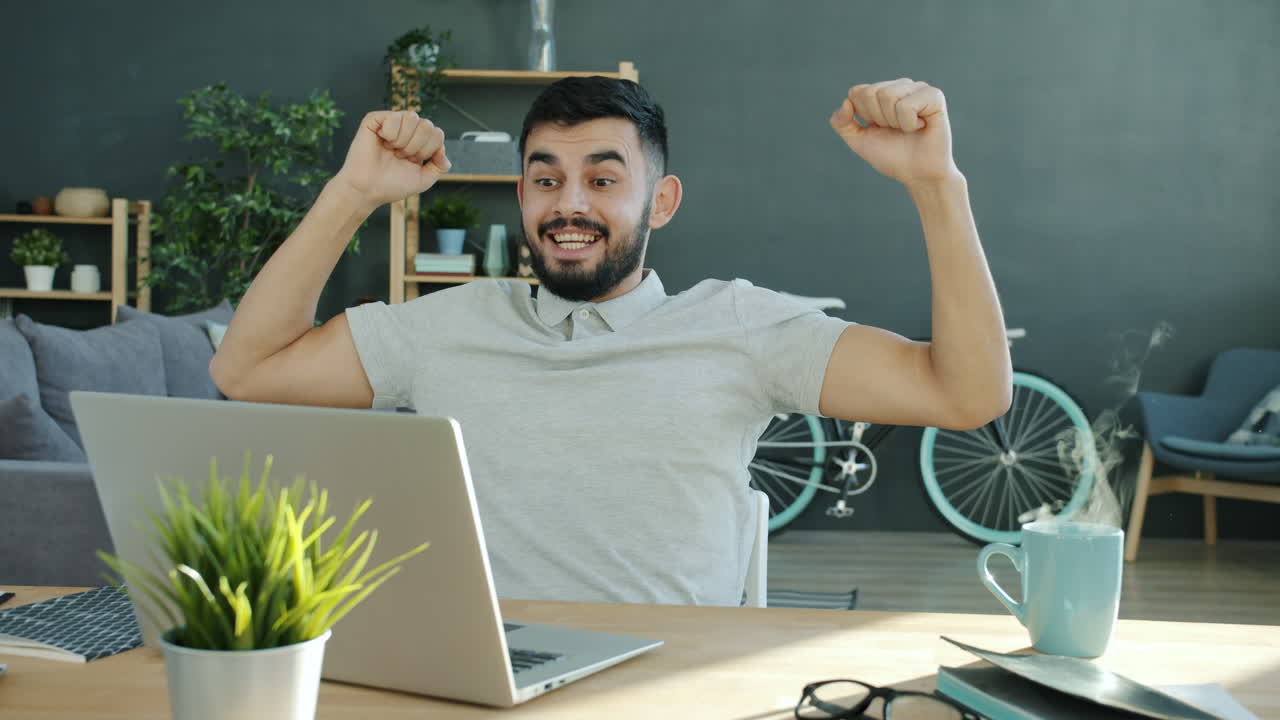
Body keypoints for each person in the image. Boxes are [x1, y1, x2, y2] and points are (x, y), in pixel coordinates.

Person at [210, 76, 1011, 606]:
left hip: (671, 683)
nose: (569, 204)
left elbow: (968, 395)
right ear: (521, 191)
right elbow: (246, 371)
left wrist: (938, 186)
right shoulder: (447, 326)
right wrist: (354, 192)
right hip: (487, 682)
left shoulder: (738, 327)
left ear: (660, 202)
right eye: (546, 177)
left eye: (602, 178)